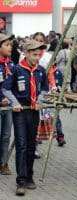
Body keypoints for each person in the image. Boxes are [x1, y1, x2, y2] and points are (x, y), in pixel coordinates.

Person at [2, 40, 48, 196]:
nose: (37, 58)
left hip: (34, 111)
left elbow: (45, 90)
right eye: (34, 54)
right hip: (20, 111)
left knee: (31, 144)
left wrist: (40, 101)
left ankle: (29, 176)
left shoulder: (41, 70)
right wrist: (14, 103)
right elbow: (6, 89)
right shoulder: (16, 70)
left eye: (39, 55)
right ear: (27, 53)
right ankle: (20, 181)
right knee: (21, 144)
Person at [0, 33, 13, 175]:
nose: (10, 47)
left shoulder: (11, 64)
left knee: (6, 135)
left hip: (8, 105)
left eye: (11, 44)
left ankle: (3, 163)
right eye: (7, 44)